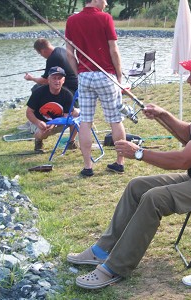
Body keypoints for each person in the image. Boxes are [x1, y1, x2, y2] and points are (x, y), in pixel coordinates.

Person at [66, 48, 191, 289]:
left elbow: (183, 160)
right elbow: (190, 135)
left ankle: (115, 268)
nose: (188, 80)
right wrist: (164, 115)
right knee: (137, 186)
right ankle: (101, 250)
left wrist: (138, 153)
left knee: (153, 198)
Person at [65, 0, 126, 177]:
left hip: (84, 76)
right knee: (115, 119)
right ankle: (119, 162)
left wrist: (78, 73)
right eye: (104, 0)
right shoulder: (105, 18)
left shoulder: (72, 21)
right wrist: (119, 75)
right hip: (106, 75)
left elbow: (70, 53)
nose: (106, 3)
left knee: (85, 121)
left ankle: (87, 166)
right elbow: (113, 49)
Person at [26, 66, 79, 153]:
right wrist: (38, 122)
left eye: (59, 78)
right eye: (54, 78)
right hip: (39, 122)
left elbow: (66, 115)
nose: (57, 81)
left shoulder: (67, 94)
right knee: (43, 133)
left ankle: (71, 142)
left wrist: (53, 123)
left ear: (63, 80)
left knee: (75, 114)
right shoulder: (38, 92)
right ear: (48, 80)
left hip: (57, 122)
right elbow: (29, 113)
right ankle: (38, 141)